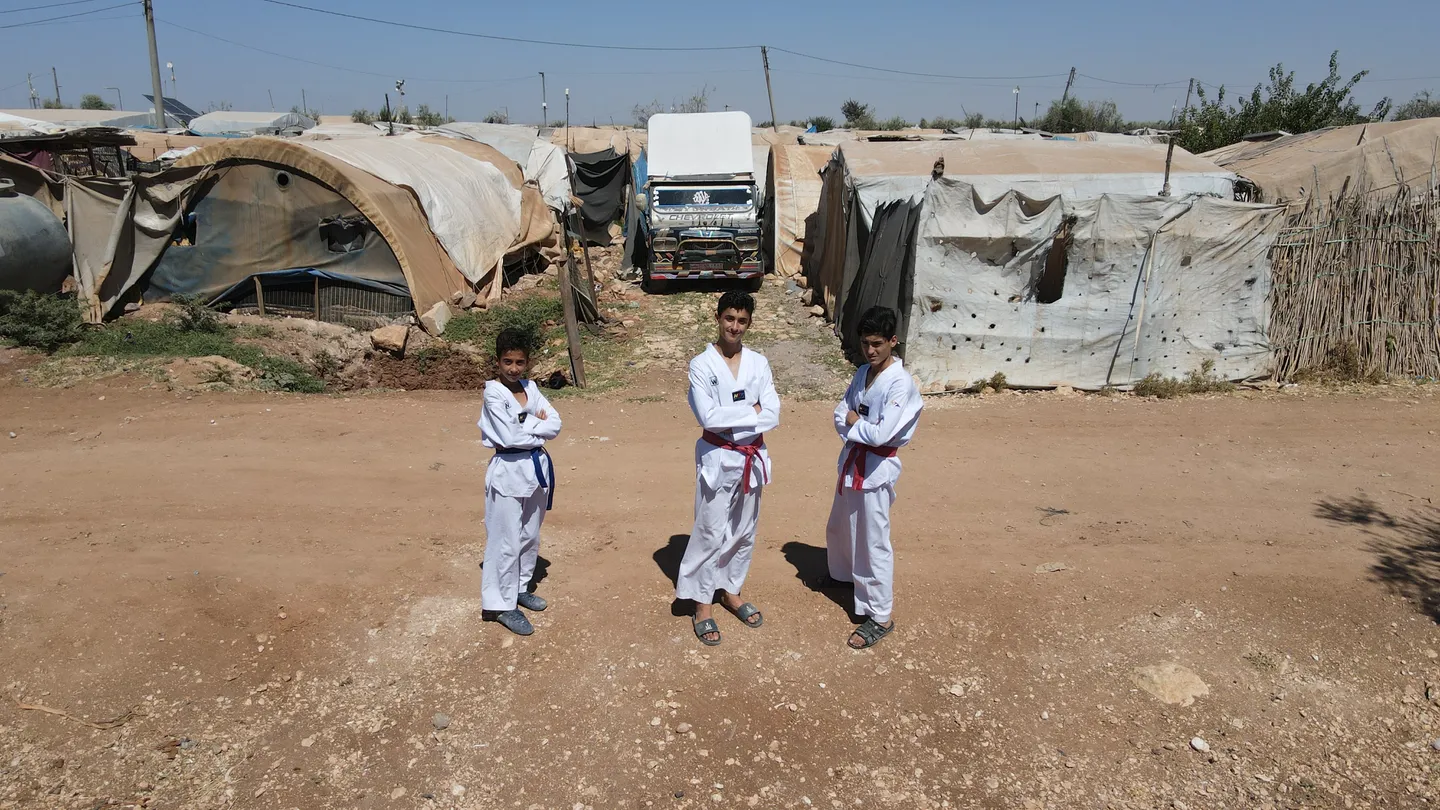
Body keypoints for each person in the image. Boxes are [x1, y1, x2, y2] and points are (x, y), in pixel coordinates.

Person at [676, 290, 781, 646]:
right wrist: (750, 411)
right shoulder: (701, 364)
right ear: (718, 318)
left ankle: (730, 589)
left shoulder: (759, 363)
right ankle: (701, 603)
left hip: (751, 456)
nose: (734, 327)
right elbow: (707, 416)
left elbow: (773, 412)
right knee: (709, 529)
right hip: (718, 456)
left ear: (749, 324)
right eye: (729, 319)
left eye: (742, 321)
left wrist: (741, 415)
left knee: (743, 529)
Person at [824, 305, 923, 649]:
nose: (870, 350)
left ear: (893, 341)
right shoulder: (863, 371)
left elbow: (881, 435)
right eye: (866, 343)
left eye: (878, 343)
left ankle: (879, 615)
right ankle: (845, 577)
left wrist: (855, 423)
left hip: (877, 469)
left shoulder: (901, 383)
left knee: (874, 540)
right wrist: (854, 424)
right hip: (853, 460)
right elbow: (840, 410)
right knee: (841, 527)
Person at [478, 327, 562, 636]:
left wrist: (528, 423)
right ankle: (501, 604)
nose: (514, 368)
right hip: (508, 469)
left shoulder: (532, 389)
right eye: (507, 362)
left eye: (520, 362)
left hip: (535, 467)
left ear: (527, 363)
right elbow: (510, 435)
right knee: (505, 539)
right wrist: (534, 424)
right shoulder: (493, 393)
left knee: (529, 535)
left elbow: (556, 424)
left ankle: (520, 586)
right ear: (497, 362)